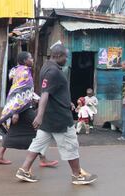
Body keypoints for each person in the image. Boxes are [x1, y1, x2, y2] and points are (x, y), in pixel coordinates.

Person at [15, 44, 97, 185]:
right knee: (70, 145)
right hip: (59, 119)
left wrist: (67, 103)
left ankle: (24, 169)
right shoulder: (53, 72)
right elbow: (45, 94)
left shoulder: (46, 66)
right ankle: (77, 175)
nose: (67, 59)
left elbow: (54, 92)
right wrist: (39, 115)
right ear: (58, 56)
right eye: (65, 56)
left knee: (38, 144)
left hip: (49, 118)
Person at [0, 52, 58, 168]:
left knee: (14, 131)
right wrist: (15, 112)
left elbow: (26, 90)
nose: (33, 60)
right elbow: (18, 91)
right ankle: (42, 159)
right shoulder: (23, 72)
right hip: (21, 108)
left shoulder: (19, 70)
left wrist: (37, 99)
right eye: (30, 58)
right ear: (25, 61)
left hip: (22, 107)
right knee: (41, 129)